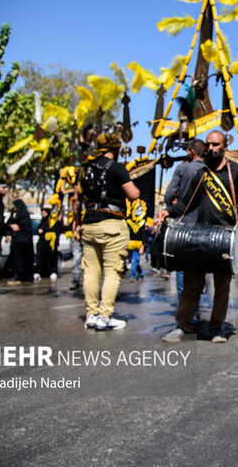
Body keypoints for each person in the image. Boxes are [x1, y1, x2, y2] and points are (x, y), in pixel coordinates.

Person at [159, 130, 238, 343]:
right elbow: (186, 202)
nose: (211, 148)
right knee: (191, 284)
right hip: (199, 235)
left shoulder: (237, 172)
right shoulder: (201, 173)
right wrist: (170, 211)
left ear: (225, 147)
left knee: (222, 288)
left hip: (225, 237)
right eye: (209, 145)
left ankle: (217, 327)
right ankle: (183, 325)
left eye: (215, 145)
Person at [73, 132, 140, 331]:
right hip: (112, 223)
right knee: (112, 271)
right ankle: (105, 316)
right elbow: (133, 194)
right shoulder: (118, 168)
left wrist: (76, 225)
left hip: (89, 223)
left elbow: (77, 202)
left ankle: (91, 314)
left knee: (91, 272)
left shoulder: (84, 169)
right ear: (115, 148)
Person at [163, 139, 206, 297]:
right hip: (204, 223)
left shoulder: (183, 168)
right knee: (200, 262)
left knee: (183, 264)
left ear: (191, 152)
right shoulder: (210, 169)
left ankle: (185, 300)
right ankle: (196, 298)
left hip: (184, 220)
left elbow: (170, 192)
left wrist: (169, 207)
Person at [6, 199, 34, 284]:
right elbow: (8, 224)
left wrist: (18, 226)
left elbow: (26, 227)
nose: (14, 208)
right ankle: (16, 274)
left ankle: (21, 275)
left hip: (23, 241)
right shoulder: (13, 214)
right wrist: (11, 226)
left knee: (21, 259)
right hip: (15, 240)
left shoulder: (24, 215)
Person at [34, 207, 61, 282]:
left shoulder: (54, 222)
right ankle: (40, 272)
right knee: (40, 258)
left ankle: (53, 271)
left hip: (51, 244)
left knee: (52, 258)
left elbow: (56, 232)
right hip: (42, 244)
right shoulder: (42, 222)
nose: (43, 215)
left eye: (44, 213)